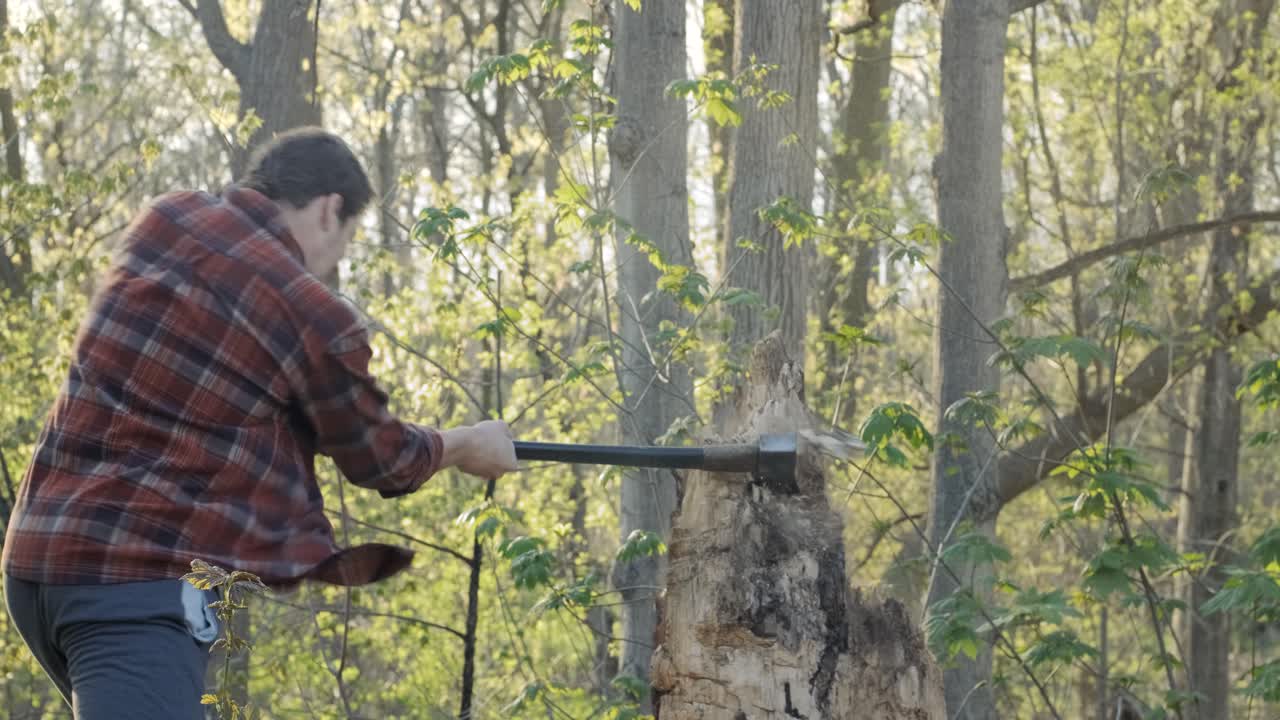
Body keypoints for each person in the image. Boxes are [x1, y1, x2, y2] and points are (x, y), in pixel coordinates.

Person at [1, 127, 518, 719]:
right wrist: (468, 443)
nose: (332, 266)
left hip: (36, 566)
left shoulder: (165, 222)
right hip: (130, 595)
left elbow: (197, 382)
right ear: (330, 210)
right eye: (345, 244)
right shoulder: (310, 313)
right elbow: (384, 459)